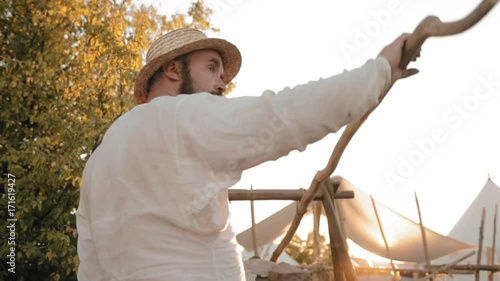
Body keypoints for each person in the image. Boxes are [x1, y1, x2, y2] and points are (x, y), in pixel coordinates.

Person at [76, 28, 418, 280]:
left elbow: (92, 265)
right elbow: (280, 115)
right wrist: (379, 72)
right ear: (173, 70)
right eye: (211, 68)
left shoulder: (99, 161)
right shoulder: (180, 116)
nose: (222, 84)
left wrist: (253, 269)